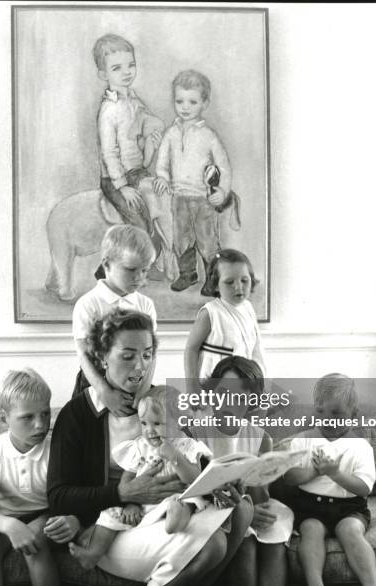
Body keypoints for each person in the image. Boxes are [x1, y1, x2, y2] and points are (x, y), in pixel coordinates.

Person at [48, 309, 251, 586]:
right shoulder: (77, 414)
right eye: (128, 356)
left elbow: (191, 458)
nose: (140, 366)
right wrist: (125, 494)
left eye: (147, 355)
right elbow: (58, 497)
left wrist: (220, 482)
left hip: (167, 513)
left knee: (242, 506)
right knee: (214, 545)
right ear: (103, 357)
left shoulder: (164, 404)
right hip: (113, 525)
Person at [68, 385, 213, 570]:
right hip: (144, 503)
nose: (149, 430)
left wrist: (175, 456)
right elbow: (127, 480)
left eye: (157, 424)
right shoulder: (140, 447)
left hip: (175, 498)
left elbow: (194, 478)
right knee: (109, 514)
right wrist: (132, 503)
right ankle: (93, 553)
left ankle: (176, 522)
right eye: (144, 423)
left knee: (185, 501)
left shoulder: (188, 446)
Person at [188, 356, 291, 586]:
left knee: (274, 540)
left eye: (239, 397)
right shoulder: (195, 433)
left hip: (250, 505)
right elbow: (194, 490)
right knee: (246, 543)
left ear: (250, 403)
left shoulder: (261, 437)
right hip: (210, 511)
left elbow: (261, 498)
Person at [0, 368, 79, 586]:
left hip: (45, 514)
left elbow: (70, 499)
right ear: (4, 418)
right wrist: (11, 526)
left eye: (45, 414)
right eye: (28, 417)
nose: (40, 425)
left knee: (34, 538)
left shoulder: (57, 449)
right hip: (5, 519)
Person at [284, 374, 376, 586]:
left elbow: (364, 488)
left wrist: (336, 474)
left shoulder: (360, 446)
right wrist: (313, 471)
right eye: (320, 412)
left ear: (353, 415)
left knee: (351, 531)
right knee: (310, 530)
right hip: (311, 507)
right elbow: (288, 477)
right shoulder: (301, 441)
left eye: (336, 413)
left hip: (349, 508)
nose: (327, 419)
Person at [93, 33, 172, 275]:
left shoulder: (133, 99)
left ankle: (156, 258)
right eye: (117, 68)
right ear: (104, 75)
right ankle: (107, 271)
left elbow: (147, 122)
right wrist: (122, 186)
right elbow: (109, 152)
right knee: (138, 222)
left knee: (158, 208)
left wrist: (153, 135)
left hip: (138, 170)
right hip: (116, 179)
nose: (127, 72)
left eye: (131, 65)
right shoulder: (109, 110)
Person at [153, 69, 233, 293]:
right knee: (182, 239)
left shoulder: (209, 136)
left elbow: (224, 167)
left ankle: (213, 279)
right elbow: (162, 161)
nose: (185, 107)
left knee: (207, 241)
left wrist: (223, 191)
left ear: (204, 103)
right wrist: (162, 177)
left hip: (203, 199)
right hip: (179, 197)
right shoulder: (171, 133)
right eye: (180, 101)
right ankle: (187, 275)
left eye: (192, 101)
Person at [71, 224, 156, 415]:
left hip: (137, 381)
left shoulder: (146, 305)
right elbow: (84, 354)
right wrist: (105, 393)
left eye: (144, 270)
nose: (139, 278)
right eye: (131, 269)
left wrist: (143, 390)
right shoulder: (88, 304)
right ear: (107, 264)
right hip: (96, 385)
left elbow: (152, 354)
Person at [184, 248, 266, 387]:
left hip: (243, 386)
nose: (238, 287)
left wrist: (261, 383)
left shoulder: (248, 309)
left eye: (244, 280)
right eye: (229, 282)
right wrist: (192, 386)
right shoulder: (210, 313)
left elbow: (256, 350)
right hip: (213, 385)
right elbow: (191, 349)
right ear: (216, 285)